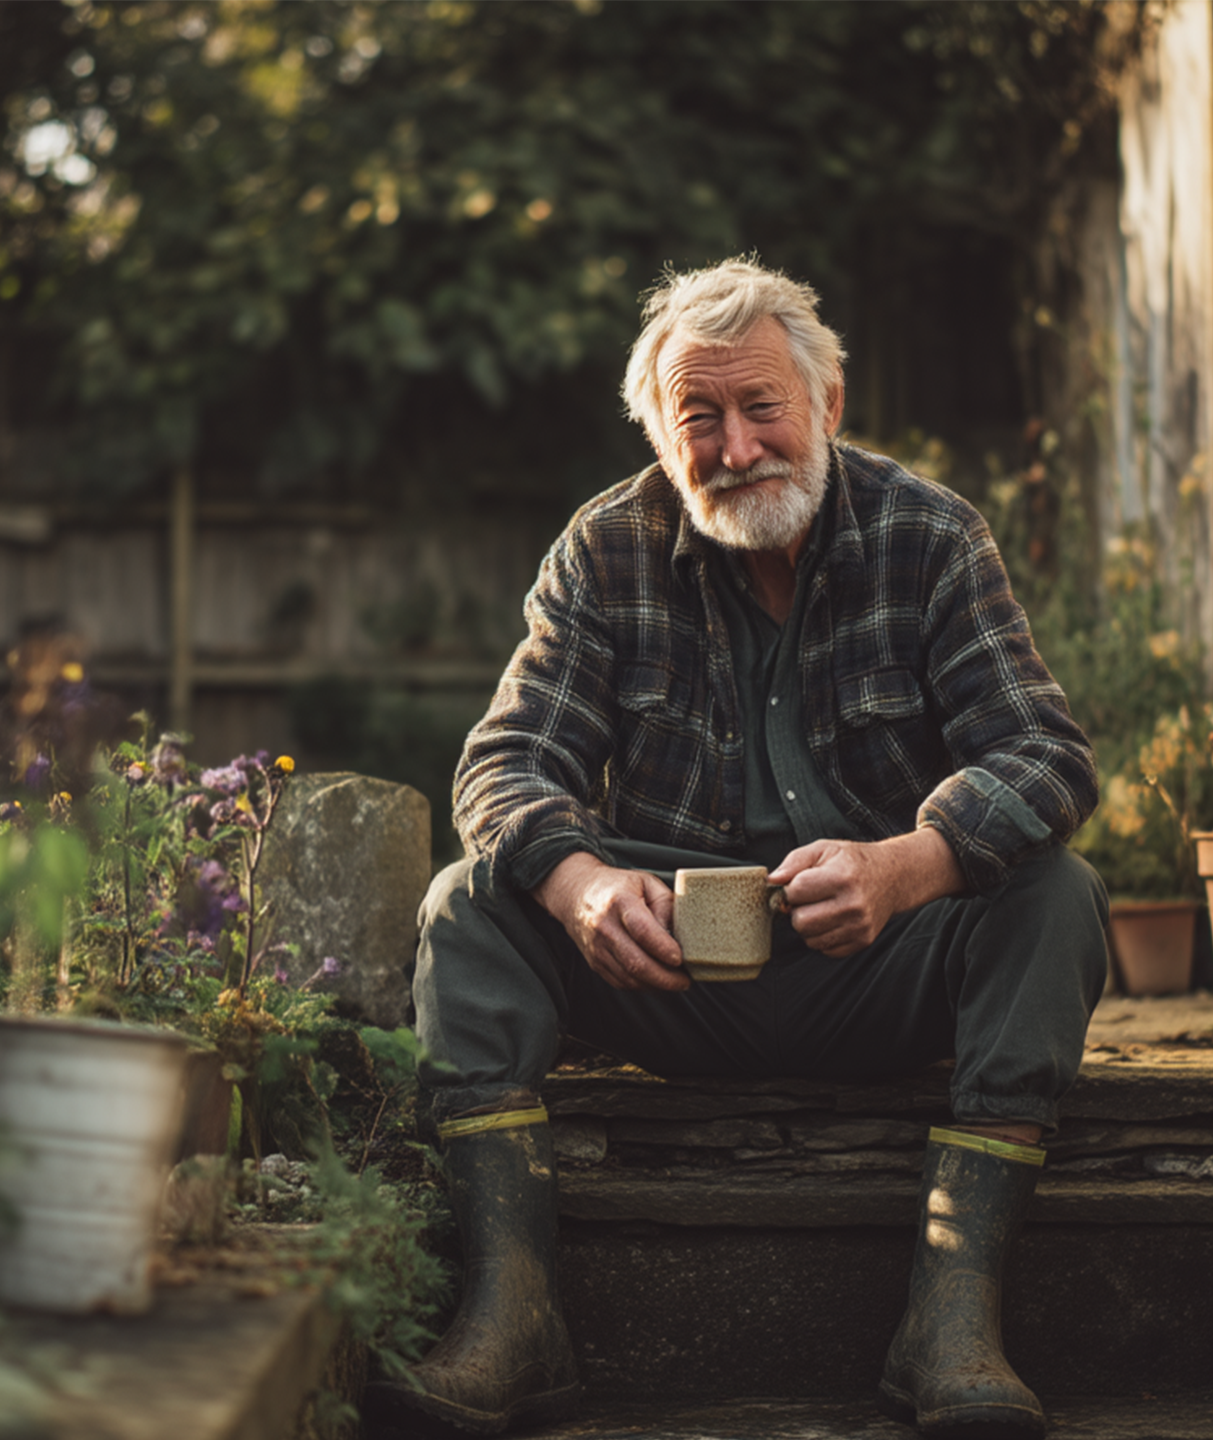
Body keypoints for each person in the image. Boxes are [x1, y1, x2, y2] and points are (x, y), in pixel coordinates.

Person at [364, 258, 1106, 1439]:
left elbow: (1049, 760)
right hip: (662, 980)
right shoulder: (604, 549)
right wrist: (584, 884)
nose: (737, 444)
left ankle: (951, 1319)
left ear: (829, 406)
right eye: (696, 417)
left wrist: (906, 864)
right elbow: (501, 767)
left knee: (1055, 897)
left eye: (762, 406)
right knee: (470, 901)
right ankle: (514, 1316)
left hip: (881, 968)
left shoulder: (930, 535)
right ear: (660, 434)